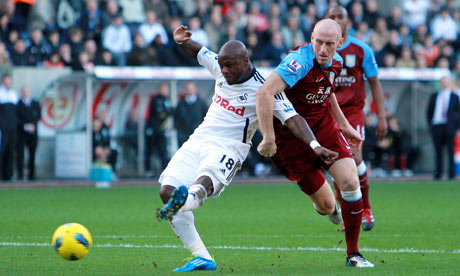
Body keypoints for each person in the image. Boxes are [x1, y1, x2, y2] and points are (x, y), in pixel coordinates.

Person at [156, 25, 338, 272]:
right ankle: (201, 255)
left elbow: (293, 119)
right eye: (222, 65)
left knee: (203, 180)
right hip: (199, 139)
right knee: (166, 190)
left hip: (230, 148)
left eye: (230, 65)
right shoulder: (221, 68)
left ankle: (187, 200)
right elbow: (199, 51)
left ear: (245, 60)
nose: (224, 70)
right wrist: (181, 42)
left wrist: (315, 145)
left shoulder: (263, 89)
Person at [256, 19, 374, 267]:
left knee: (351, 181)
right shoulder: (298, 62)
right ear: (311, 38)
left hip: (324, 128)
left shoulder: (337, 63)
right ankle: (330, 209)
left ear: (340, 43)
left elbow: (327, 92)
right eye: (318, 42)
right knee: (326, 206)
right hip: (291, 139)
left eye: (329, 44)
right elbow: (265, 92)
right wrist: (268, 137)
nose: (322, 49)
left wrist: (343, 125)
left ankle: (353, 254)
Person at [326, 5, 388, 231]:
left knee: (354, 155)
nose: (336, 20)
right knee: (332, 160)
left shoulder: (361, 50)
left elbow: (374, 82)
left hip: (352, 112)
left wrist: (381, 115)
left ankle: (366, 208)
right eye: (331, 17)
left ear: (348, 22)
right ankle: (347, 211)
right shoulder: (319, 49)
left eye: (340, 17)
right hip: (328, 112)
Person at [426, 75, 460, 180]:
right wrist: (431, 125)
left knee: (450, 151)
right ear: (440, 83)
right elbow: (429, 112)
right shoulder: (435, 96)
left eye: (446, 81)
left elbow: (458, 114)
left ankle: (451, 174)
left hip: (449, 127)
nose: (444, 83)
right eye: (443, 81)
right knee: (438, 151)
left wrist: (457, 128)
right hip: (437, 126)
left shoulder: (454, 97)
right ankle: (438, 173)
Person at [145, 82, 173, 178]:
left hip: (162, 130)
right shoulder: (156, 100)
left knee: (163, 151)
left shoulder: (168, 100)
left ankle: (165, 170)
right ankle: (148, 170)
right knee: (150, 150)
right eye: (163, 89)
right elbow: (160, 113)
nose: (165, 91)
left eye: (166, 89)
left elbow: (171, 112)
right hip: (153, 129)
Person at [16, 85, 41, 181]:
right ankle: (20, 175)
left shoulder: (35, 103)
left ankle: (32, 175)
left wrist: (32, 125)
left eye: (27, 91)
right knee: (21, 154)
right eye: (24, 91)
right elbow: (17, 119)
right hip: (22, 133)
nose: (25, 93)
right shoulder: (18, 104)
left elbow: (38, 116)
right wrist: (25, 126)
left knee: (32, 154)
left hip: (33, 133)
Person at [173, 81, 208, 147]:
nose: (189, 91)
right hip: (183, 137)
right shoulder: (180, 104)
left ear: (195, 89)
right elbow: (176, 118)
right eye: (188, 89)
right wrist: (179, 132)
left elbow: (206, 118)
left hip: (198, 135)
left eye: (191, 89)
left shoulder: (202, 104)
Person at [0, 74, 19, 181]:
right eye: (6, 81)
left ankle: (9, 174)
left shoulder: (13, 94)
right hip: (2, 127)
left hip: (12, 126)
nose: (8, 83)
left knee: (11, 150)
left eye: (9, 81)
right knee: (2, 149)